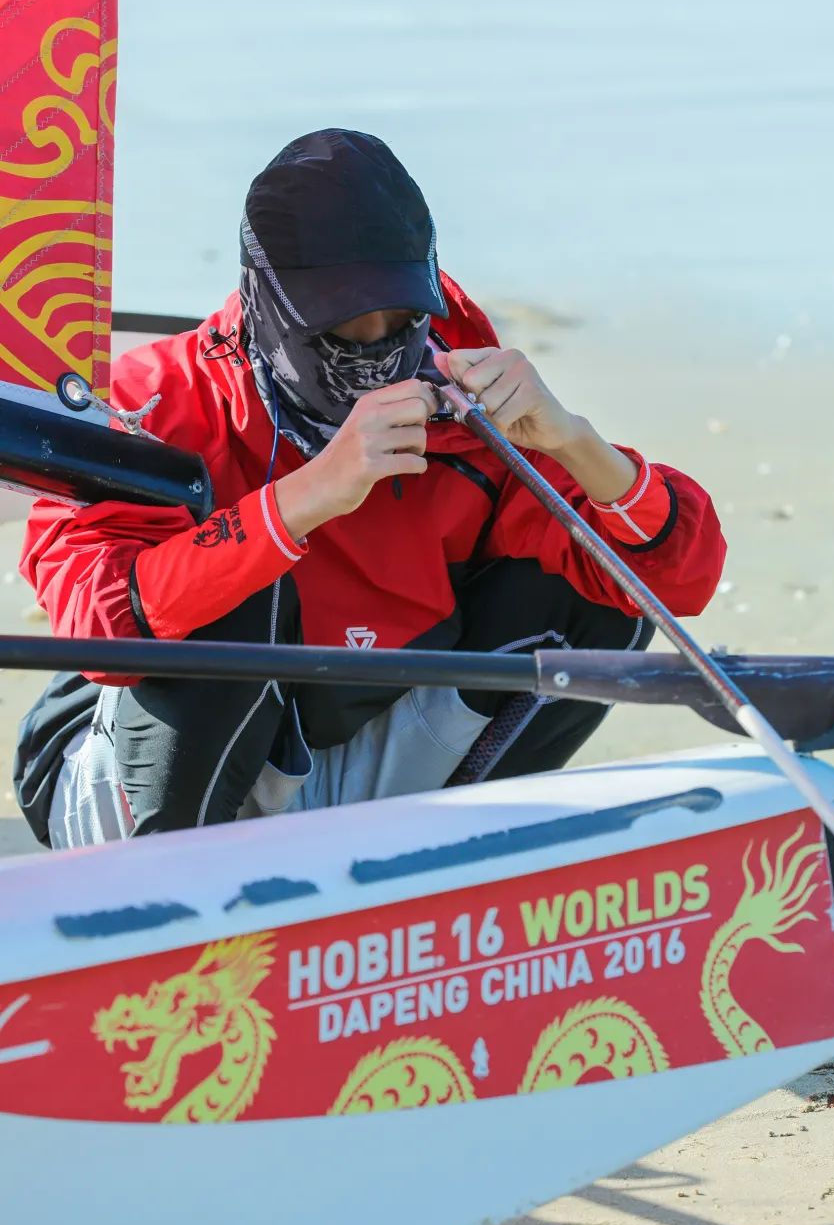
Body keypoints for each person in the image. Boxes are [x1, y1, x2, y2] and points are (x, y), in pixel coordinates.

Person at [14, 129, 725, 847]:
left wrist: (573, 439)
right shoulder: (152, 401)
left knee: (602, 589)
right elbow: (97, 632)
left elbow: (675, 584)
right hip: (129, 784)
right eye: (345, 329)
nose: (381, 352)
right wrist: (312, 495)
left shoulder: (464, 409)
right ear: (268, 303)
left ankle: (441, 863)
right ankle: (170, 906)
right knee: (227, 598)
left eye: (401, 319)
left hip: (342, 769)